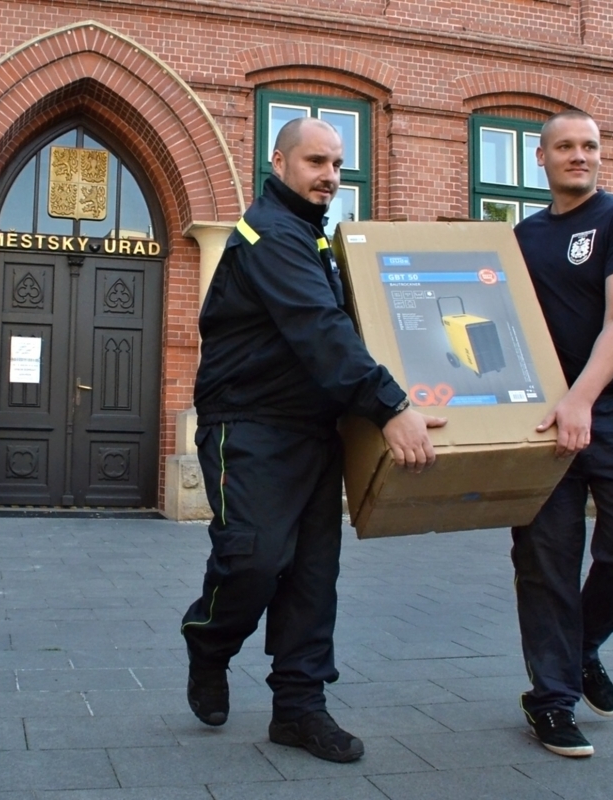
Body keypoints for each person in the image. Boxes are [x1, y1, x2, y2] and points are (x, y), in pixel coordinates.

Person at [180, 117, 445, 763]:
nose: (329, 175)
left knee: (310, 577)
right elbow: (319, 326)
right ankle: (209, 640)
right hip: (247, 426)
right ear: (279, 162)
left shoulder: (312, 236)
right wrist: (390, 407)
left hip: (313, 428)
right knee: (254, 560)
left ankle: (299, 709)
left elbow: (359, 327)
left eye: (337, 165)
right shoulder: (270, 233)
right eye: (315, 161)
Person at [512, 110, 613, 758]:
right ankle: (551, 701)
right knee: (544, 560)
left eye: (590, 146)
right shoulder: (521, 238)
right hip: (541, 417)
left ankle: (581, 649)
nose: (580, 156)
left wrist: (581, 398)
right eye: (566, 147)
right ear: (542, 159)